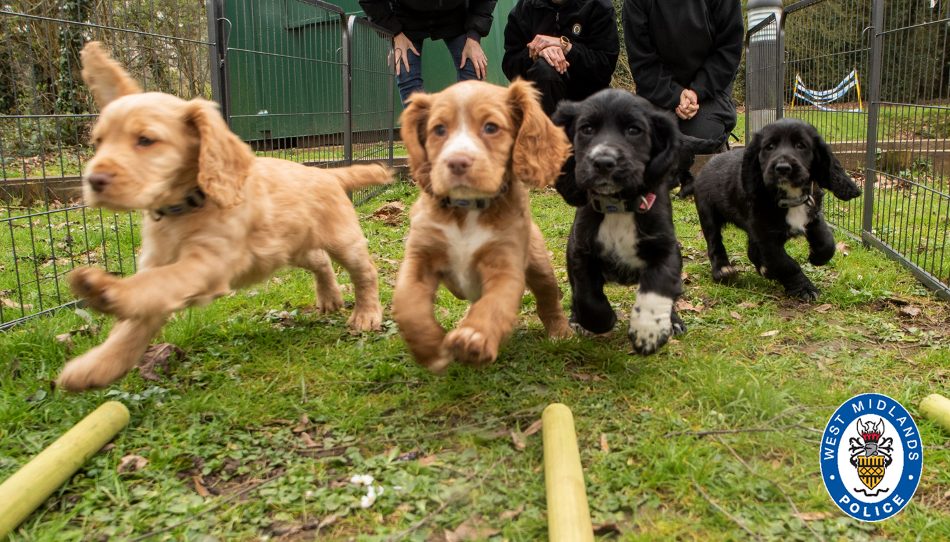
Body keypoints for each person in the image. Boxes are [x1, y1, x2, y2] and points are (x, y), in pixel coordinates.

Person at [622, 0, 744, 142]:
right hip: (657, 89)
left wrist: (698, 90)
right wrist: (675, 94)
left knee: (699, 136)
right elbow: (643, 63)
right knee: (649, 138)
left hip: (712, 87)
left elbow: (728, 50)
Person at [359, 0, 498, 107]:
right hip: (406, 17)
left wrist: (474, 36)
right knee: (406, 75)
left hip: (455, 15)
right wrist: (394, 32)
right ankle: (426, 138)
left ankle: (464, 134)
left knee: (473, 69)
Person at [502, 0, 620, 116]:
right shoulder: (524, 9)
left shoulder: (599, 6)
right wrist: (536, 53)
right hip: (539, 105)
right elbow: (509, 65)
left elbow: (605, 66)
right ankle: (545, 132)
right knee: (544, 68)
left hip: (588, 103)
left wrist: (566, 47)